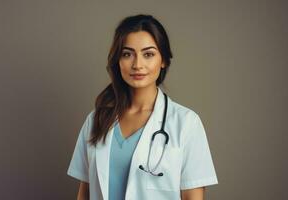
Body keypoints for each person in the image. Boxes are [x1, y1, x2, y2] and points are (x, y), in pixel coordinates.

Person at [67, 14, 218, 200]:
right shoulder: (97, 119)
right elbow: (85, 192)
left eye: (148, 54)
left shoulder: (186, 123)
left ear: (163, 60)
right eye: (127, 54)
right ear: (118, 61)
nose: (137, 65)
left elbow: (193, 197)